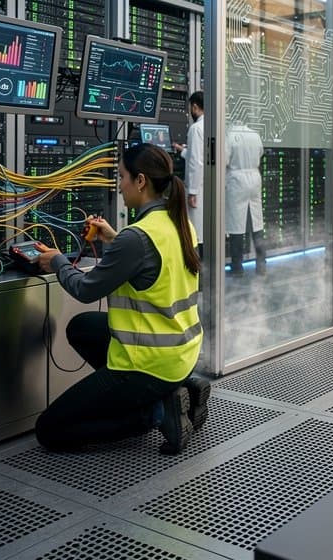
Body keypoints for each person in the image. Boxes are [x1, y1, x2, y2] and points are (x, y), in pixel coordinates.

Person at [33, 143, 211, 454]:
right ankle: (174, 390)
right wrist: (115, 239)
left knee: (49, 429)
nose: (120, 184)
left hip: (147, 364)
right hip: (181, 353)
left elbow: (85, 289)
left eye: (123, 176)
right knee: (82, 327)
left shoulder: (137, 238)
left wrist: (57, 261)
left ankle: (154, 413)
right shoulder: (178, 225)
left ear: (141, 181)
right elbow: (152, 264)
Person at [225, 119, 268, 276]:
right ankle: (261, 264)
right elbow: (260, 153)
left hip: (237, 180)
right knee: (257, 223)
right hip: (254, 178)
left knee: (236, 226)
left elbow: (224, 160)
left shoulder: (229, 134)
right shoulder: (254, 134)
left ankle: (237, 267)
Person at [173, 91, 204, 258]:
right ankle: (207, 276)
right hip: (210, 186)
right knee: (205, 232)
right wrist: (183, 150)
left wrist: (192, 192)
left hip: (198, 188)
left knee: (195, 233)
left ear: (195, 106)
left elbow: (196, 162)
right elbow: (199, 156)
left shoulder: (196, 128)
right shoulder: (215, 126)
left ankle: (198, 275)